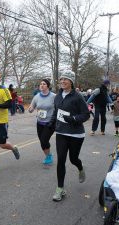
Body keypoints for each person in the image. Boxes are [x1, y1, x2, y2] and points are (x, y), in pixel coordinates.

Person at [49, 72, 90, 201]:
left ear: (71, 81)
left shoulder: (77, 97)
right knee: (61, 159)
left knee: (73, 159)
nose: (63, 81)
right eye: (61, 79)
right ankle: (60, 188)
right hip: (61, 132)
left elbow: (86, 115)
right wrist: (51, 122)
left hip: (76, 134)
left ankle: (80, 167)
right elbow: (56, 111)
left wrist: (72, 118)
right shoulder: (58, 96)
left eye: (66, 79)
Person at [28, 78, 56, 166]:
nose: (42, 85)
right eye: (41, 84)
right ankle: (48, 155)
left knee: (44, 140)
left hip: (50, 122)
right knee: (42, 141)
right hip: (40, 122)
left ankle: (49, 156)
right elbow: (31, 107)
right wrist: (31, 109)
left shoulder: (54, 96)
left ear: (48, 86)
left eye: (44, 84)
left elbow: (59, 107)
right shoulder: (36, 97)